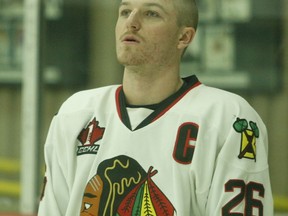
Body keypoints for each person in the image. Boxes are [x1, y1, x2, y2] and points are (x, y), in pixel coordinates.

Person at [38, 0, 274, 215]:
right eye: (125, 11)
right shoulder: (76, 114)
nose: (131, 22)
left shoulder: (228, 118)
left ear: (184, 37)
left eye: (151, 13)